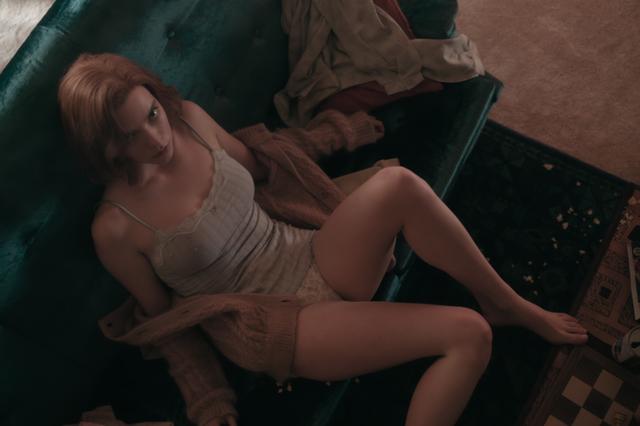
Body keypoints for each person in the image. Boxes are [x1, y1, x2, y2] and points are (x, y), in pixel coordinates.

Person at [58, 52, 588, 426]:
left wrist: (340, 132)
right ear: (105, 146)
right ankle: (488, 316)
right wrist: (208, 399)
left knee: (399, 184)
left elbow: (267, 161)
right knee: (469, 335)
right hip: (273, 322)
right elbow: (165, 323)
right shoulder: (116, 227)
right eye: (130, 134)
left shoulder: (191, 120)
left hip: (305, 249)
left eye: (152, 114)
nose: (156, 137)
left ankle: (505, 301)